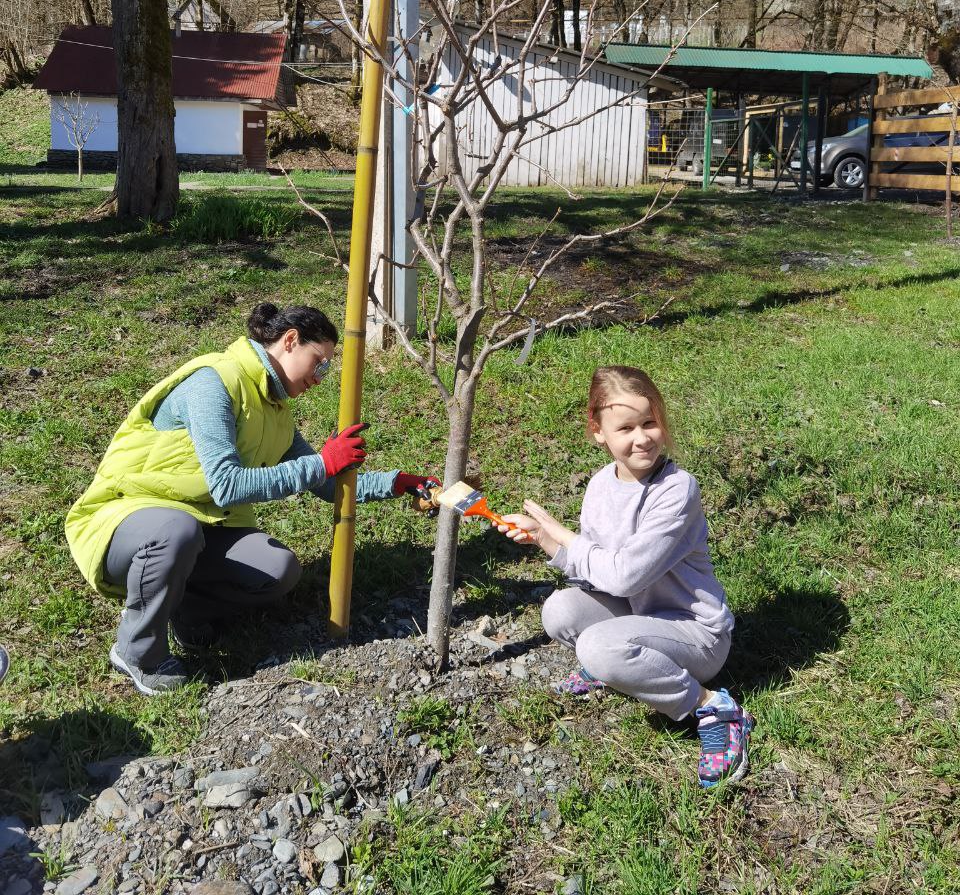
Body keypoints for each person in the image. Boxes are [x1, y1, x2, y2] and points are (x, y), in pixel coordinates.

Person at [65, 303, 438, 697]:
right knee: (176, 531)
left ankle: (188, 613)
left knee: (278, 568)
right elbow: (227, 486)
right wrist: (323, 462)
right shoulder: (214, 382)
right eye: (319, 363)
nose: (321, 377)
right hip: (127, 518)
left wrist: (398, 483)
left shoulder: (276, 411)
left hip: (200, 528)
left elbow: (327, 483)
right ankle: (138, 653)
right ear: (290, 340)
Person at [497, 365, 753, 789]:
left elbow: (625, 577)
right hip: (640, 613)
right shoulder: (600, 485)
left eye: (649, 423)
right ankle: (620, 666)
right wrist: (546, 539)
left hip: (697, 635)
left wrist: (560, 534)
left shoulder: (677, 489)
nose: (642, 438)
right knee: (560, 610)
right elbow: (599, 576)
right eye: (626, 427)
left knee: (597, 646)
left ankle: (713, 707)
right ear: (598, 431)